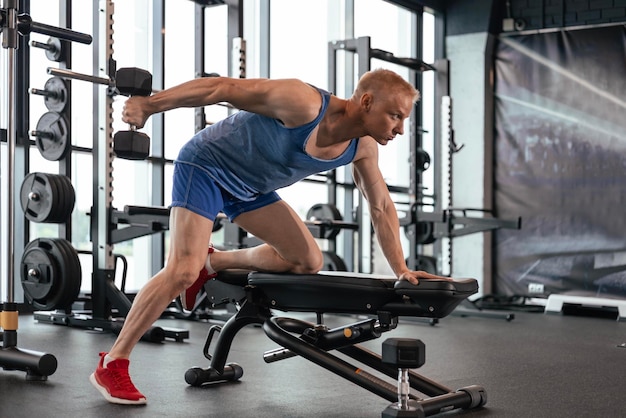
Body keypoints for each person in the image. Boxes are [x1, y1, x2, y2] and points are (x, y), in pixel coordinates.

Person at [89, 68, 452, 405]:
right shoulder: (303, 102)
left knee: (307, 260)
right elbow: (223, 88)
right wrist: (151, 105)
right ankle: (113, 363)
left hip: (252, 189)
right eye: (396, 115)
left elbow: (381, 208)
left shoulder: (363, 148)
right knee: (182, 270)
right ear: (368, 102)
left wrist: (402, 268)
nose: (401, 129)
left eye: (404, 119)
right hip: (206, 166)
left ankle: (212, 261)